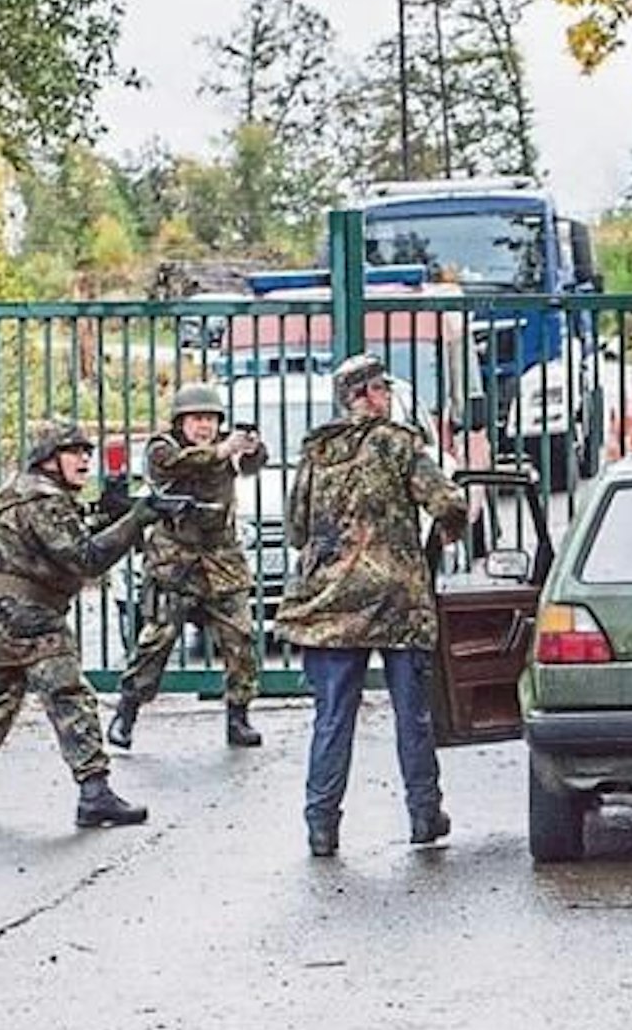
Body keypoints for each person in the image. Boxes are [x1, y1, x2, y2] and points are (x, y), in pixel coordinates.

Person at [277, 354, 468, 857]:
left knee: (333, 718)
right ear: (368, 394)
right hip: (396, 603)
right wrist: (451, 527)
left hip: (330, 607)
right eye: (382, 387)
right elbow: (447, 501)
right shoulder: (397, 442)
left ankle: (322, 826)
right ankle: (424, 814)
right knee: (413, 714)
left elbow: (296, 530)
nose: (386, 395)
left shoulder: (316, 451)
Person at [0, 419, 171, 827]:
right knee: (70, 694)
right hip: (28, 615)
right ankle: (95, 792)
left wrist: (115, 512)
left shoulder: (23, 491)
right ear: (48, 459)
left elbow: (67, 541)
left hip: (2, 610)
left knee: (1, 700)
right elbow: (85, 558)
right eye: (74, 452)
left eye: (87, 452)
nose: (84, 459)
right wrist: (136, 520)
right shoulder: (41, 499)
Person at [109, 383, 268, 750]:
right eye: (197, 419)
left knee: (240, 638)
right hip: (174, 561)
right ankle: (127, 711)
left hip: (221, 559)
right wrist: (222, 450)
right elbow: (176, 465)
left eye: (211, 419)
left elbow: (251, 464)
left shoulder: (225, 447)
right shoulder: (163, 447)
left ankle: (239, 715)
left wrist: (252, 448)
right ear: (181, 421)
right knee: (157, 640)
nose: (205, 426)